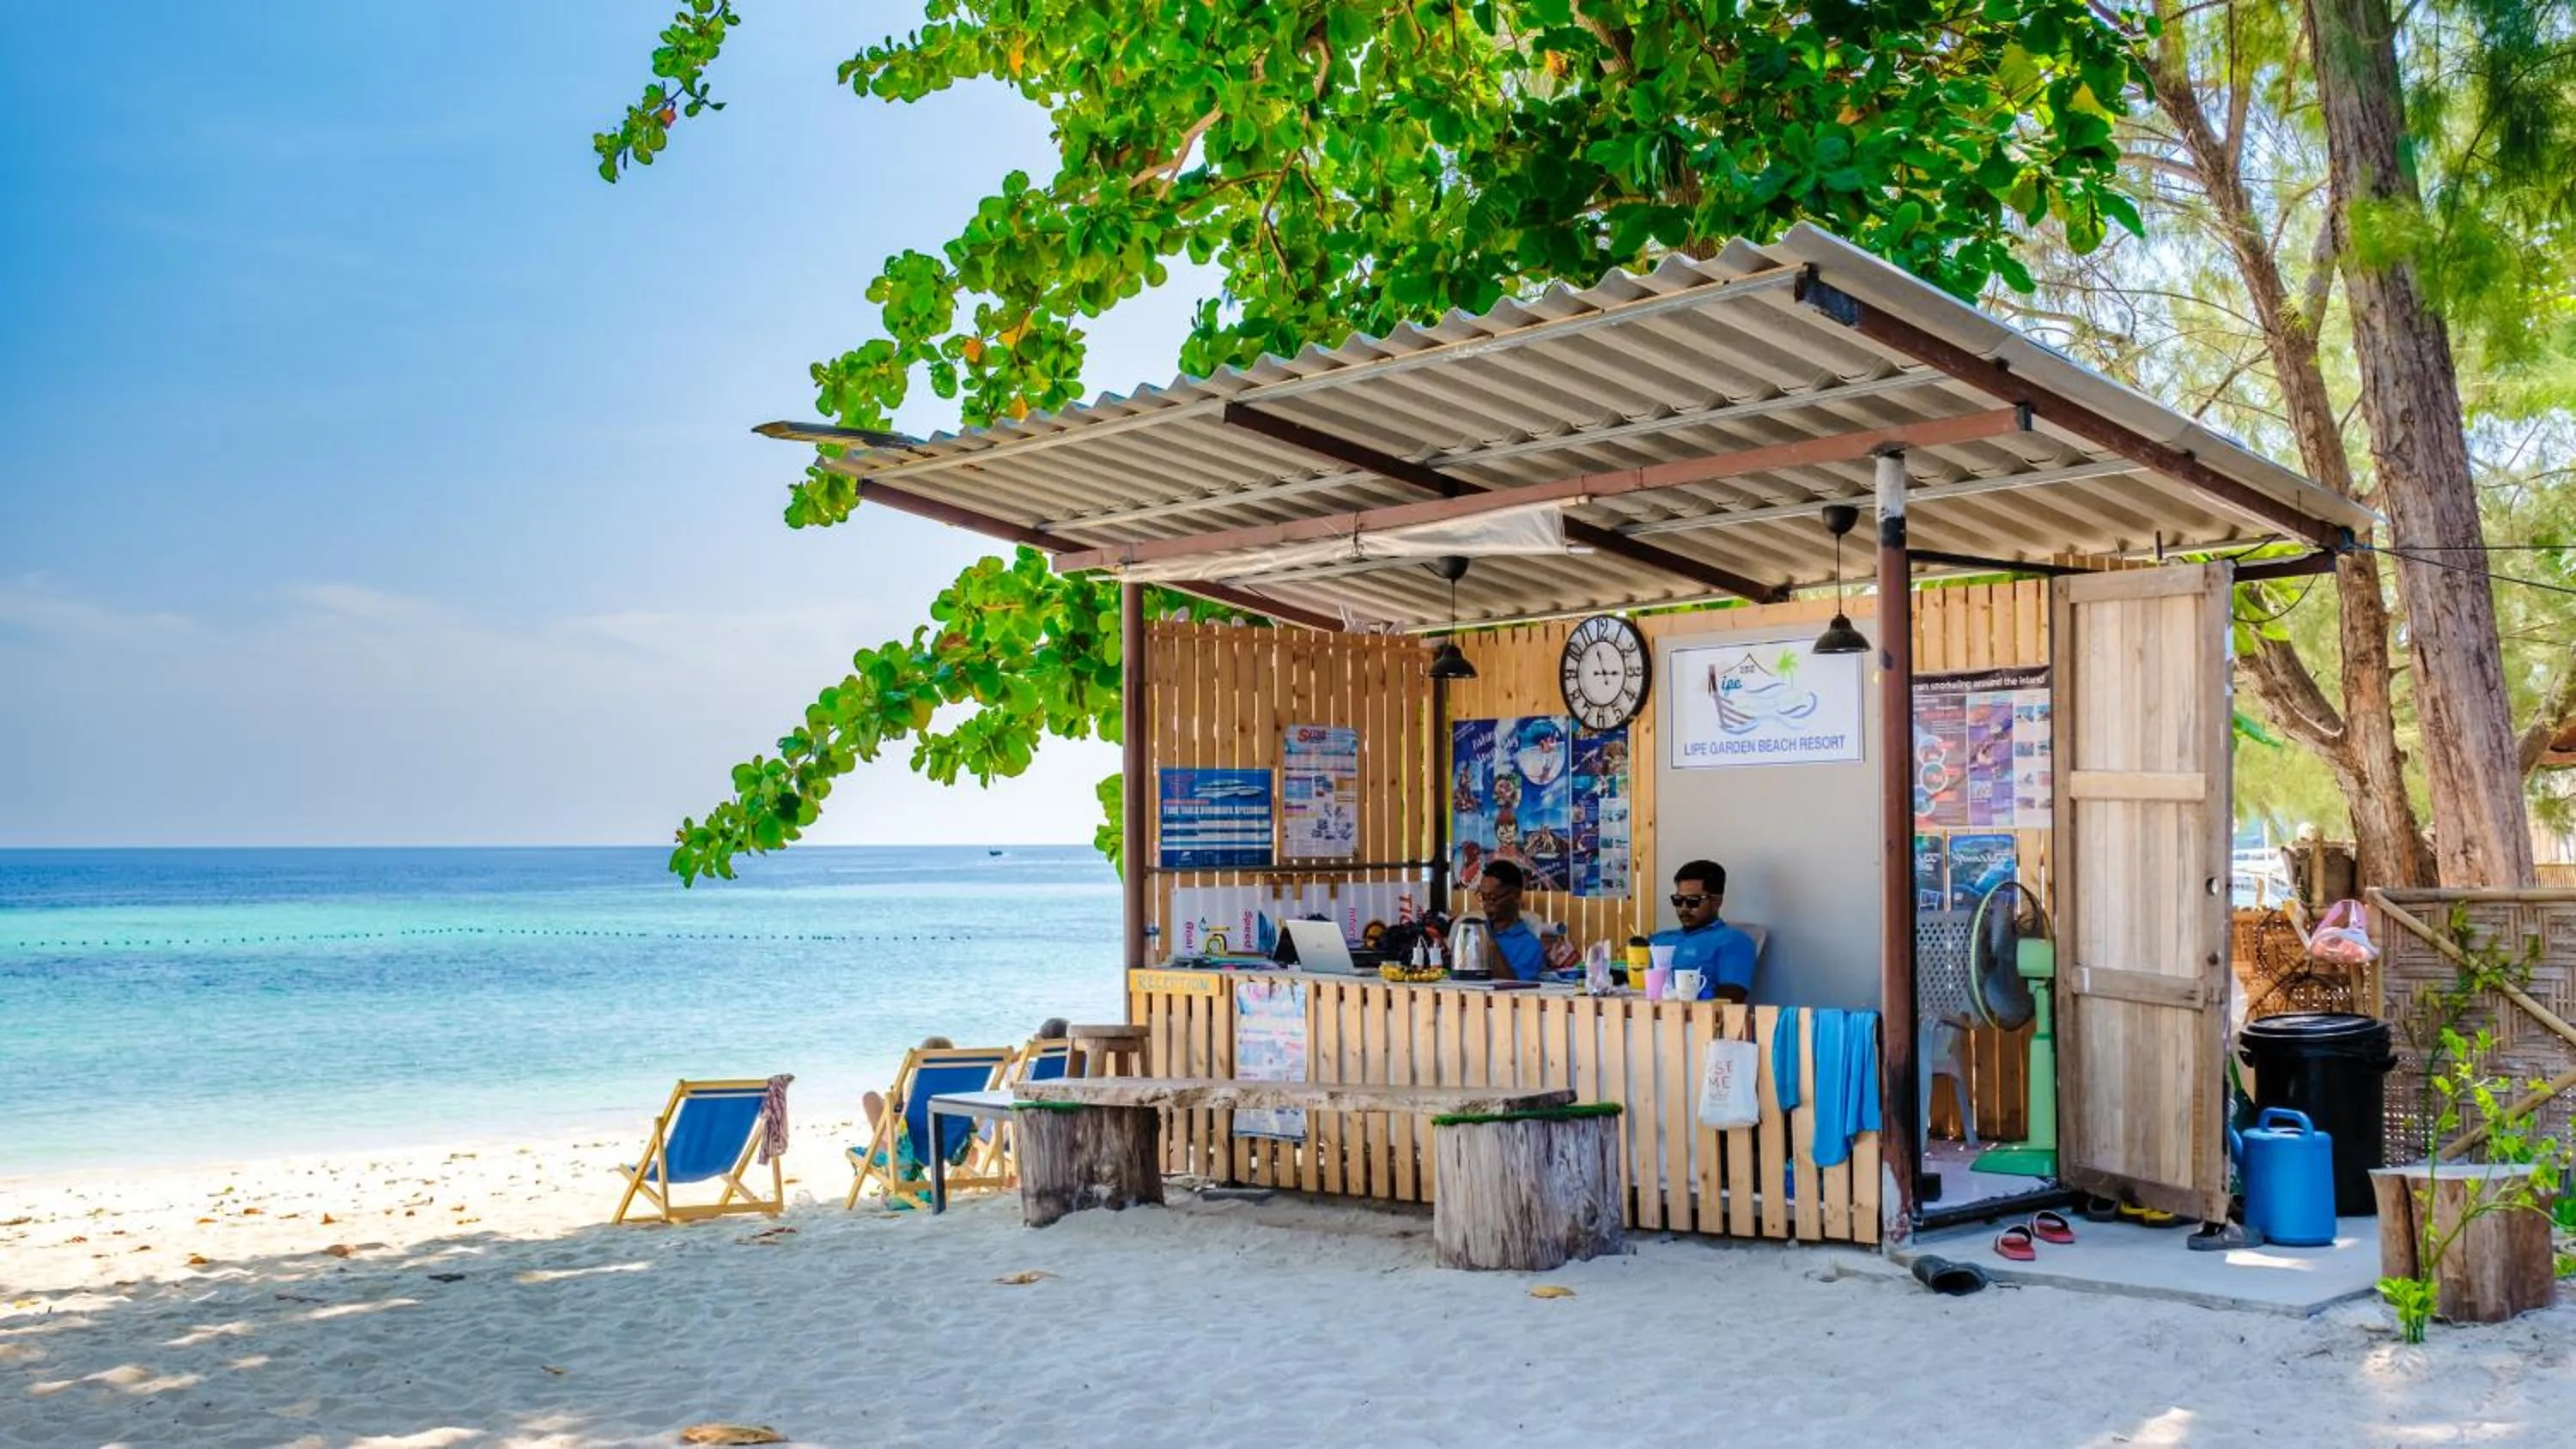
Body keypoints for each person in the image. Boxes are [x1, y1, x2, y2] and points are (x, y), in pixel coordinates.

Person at [1651, 859, 1759, 1003]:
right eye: (1678, 900)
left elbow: (1731, 999)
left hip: (1699, 1021)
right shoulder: (1660, 940)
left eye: (1693, 901)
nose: (1683, 908)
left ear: (1716, 902)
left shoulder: (1734, 941)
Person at [1472, 859, 1550, 981]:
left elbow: (1514, 989)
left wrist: (1490, 944)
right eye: (1483, 897)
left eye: (1493, 898)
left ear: (1515, 896)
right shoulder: (1476, 931)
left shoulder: (1530, 946)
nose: (1486, 905)